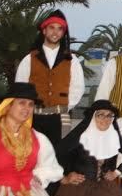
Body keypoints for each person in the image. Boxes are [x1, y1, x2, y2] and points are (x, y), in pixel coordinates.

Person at [13, 10, 85, 146]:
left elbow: (78, 87)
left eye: (60, 29)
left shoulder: (71, 60)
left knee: (59, 156)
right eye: (51, 27)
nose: (55, 32)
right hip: (34, 116)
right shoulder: (29, 59)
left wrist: (65, 106)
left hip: (60, 117)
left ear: (63, 33)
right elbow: (20, 87)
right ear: (44, 30)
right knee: (32, 151)